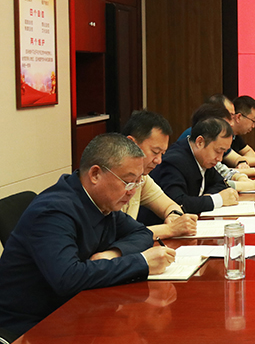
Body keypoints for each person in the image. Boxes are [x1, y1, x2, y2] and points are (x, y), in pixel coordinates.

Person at [0, 134, 175, 339]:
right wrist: (142, 262)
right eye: (128, 182)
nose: (132, 191)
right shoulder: (53, 211)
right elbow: (68, 278)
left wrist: (114, 253)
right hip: (31, 327)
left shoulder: (101, 202)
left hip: (76, 310)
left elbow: (142, 232)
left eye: (138, 182)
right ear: (95, 174)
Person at [120, 110, 198, 239]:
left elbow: (170, 205)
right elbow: (117, 236)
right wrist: (169, 229)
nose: (159, 160)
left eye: (162, 154)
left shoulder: (142, 178)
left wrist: (174, 216)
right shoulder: (109, 179)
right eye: (155, 152)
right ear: (131, 144)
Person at [148, 118, 239, 217]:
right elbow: (177, 203)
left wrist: (206, 198)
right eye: (218, 151)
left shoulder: (204, 159)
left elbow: (220, 184)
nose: (220, 159)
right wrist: (217, 200)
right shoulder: (174, 162)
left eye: (223, 153)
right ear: (200, 142)